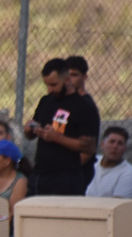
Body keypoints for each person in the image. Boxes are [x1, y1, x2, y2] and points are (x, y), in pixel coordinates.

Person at [25, 58, 99, 196]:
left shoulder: (83, 106)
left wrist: (57, 138)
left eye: (54, 85)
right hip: (40, 174)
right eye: (47, 85)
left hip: (66, 178)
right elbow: (31, 132)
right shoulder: (46, 101)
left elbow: (88, 146)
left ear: (67, 80)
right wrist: (30, 129)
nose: (50, 89)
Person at [66, 55, 102, 191]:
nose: (70, 79)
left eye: (74, 75)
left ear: (84, 77)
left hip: (76, 172)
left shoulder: (86, 106)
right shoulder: (67, 102)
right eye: (67, 75)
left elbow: (88, 148)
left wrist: (68, 170)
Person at [85, 127, 132, 199]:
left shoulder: (128, 174)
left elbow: (118, 204)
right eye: (112, 142)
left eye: (120, 143)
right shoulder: (92, 162)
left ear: (125, 149)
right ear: (102, 144)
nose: (115, 146)